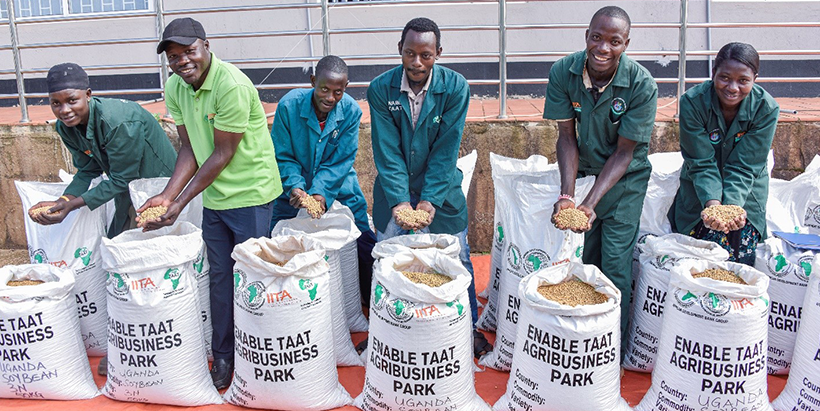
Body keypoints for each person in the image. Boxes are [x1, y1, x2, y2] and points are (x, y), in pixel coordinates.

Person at [142, 17, 282, 390]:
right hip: (216, 197)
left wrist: (179, 203)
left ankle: (257, 354)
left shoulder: (230, 85)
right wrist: (167, 196)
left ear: (206, 46)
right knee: (220, 277)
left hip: (251, 194)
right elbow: (189, 147)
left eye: (189, 51)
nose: (182, 61)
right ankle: (224, 355)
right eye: (174, 56)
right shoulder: (176, 87)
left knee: (251, 276)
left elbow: (222, 154)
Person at [29, 62, 177, 376]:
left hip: (158, 187)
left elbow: (122, 178)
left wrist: (73, 206)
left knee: (154, 262)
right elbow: (88, 169)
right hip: (127, 188)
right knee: (118, 254)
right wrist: (63, 201)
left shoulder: (118, 121)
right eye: (56, 103)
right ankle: (128, 342)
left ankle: (158, 342)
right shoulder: (65, 128)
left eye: (72, 100)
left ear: (88, 94)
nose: (64, 110)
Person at [367, 17, 490, 358]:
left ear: (438, 52)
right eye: (410, 53)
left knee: (458, 257)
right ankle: (385, 329)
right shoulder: (380, 88)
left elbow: (446, 149)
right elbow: (386, 149)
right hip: (394, 190)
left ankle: (468, 328)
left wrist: (429, 201)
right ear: (400, 50)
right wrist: (399, 201)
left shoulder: (455, 87)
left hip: (441, 190)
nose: (417, 62)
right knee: (386, 258)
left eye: (426, 55)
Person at [545, 6, 658, 347]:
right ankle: (587, 336)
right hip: (585, 175)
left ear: (626, 44)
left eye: (614, 41)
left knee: (615, 264)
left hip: (625, 181)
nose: (603, 48)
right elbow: (567, 137)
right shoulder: (564, 72)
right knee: (588, 260)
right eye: (596, 37)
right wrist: (568, 196)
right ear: (586, 36)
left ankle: (613, 347)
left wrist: (589, 204)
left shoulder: (641, 84)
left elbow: (625, 152)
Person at [270, 55, 377, 302]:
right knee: (278, 240)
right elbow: (283, 156)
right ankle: (289, 299)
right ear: (312, 82)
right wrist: (295, 187)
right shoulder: (289, 106)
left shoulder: (350, 111)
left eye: (338, 92)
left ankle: (369, 299)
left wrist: (320, 194)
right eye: (324, 89)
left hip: (340, 186)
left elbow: (340, 161)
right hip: (292, 190)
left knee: (362, 237)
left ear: (346, 87)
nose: (330, 98)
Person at [669, 42, 778, 265]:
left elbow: (745, 166)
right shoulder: (693, 103)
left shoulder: (766, 109)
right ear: (713, 73)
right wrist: (713, 206)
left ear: (755, 79)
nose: (733, 88)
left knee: (740, 253)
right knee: (701, 253)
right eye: (725, 78)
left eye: (743, 80)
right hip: (699, 189)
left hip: (746, 191)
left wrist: (731, 209)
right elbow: (700, 162)